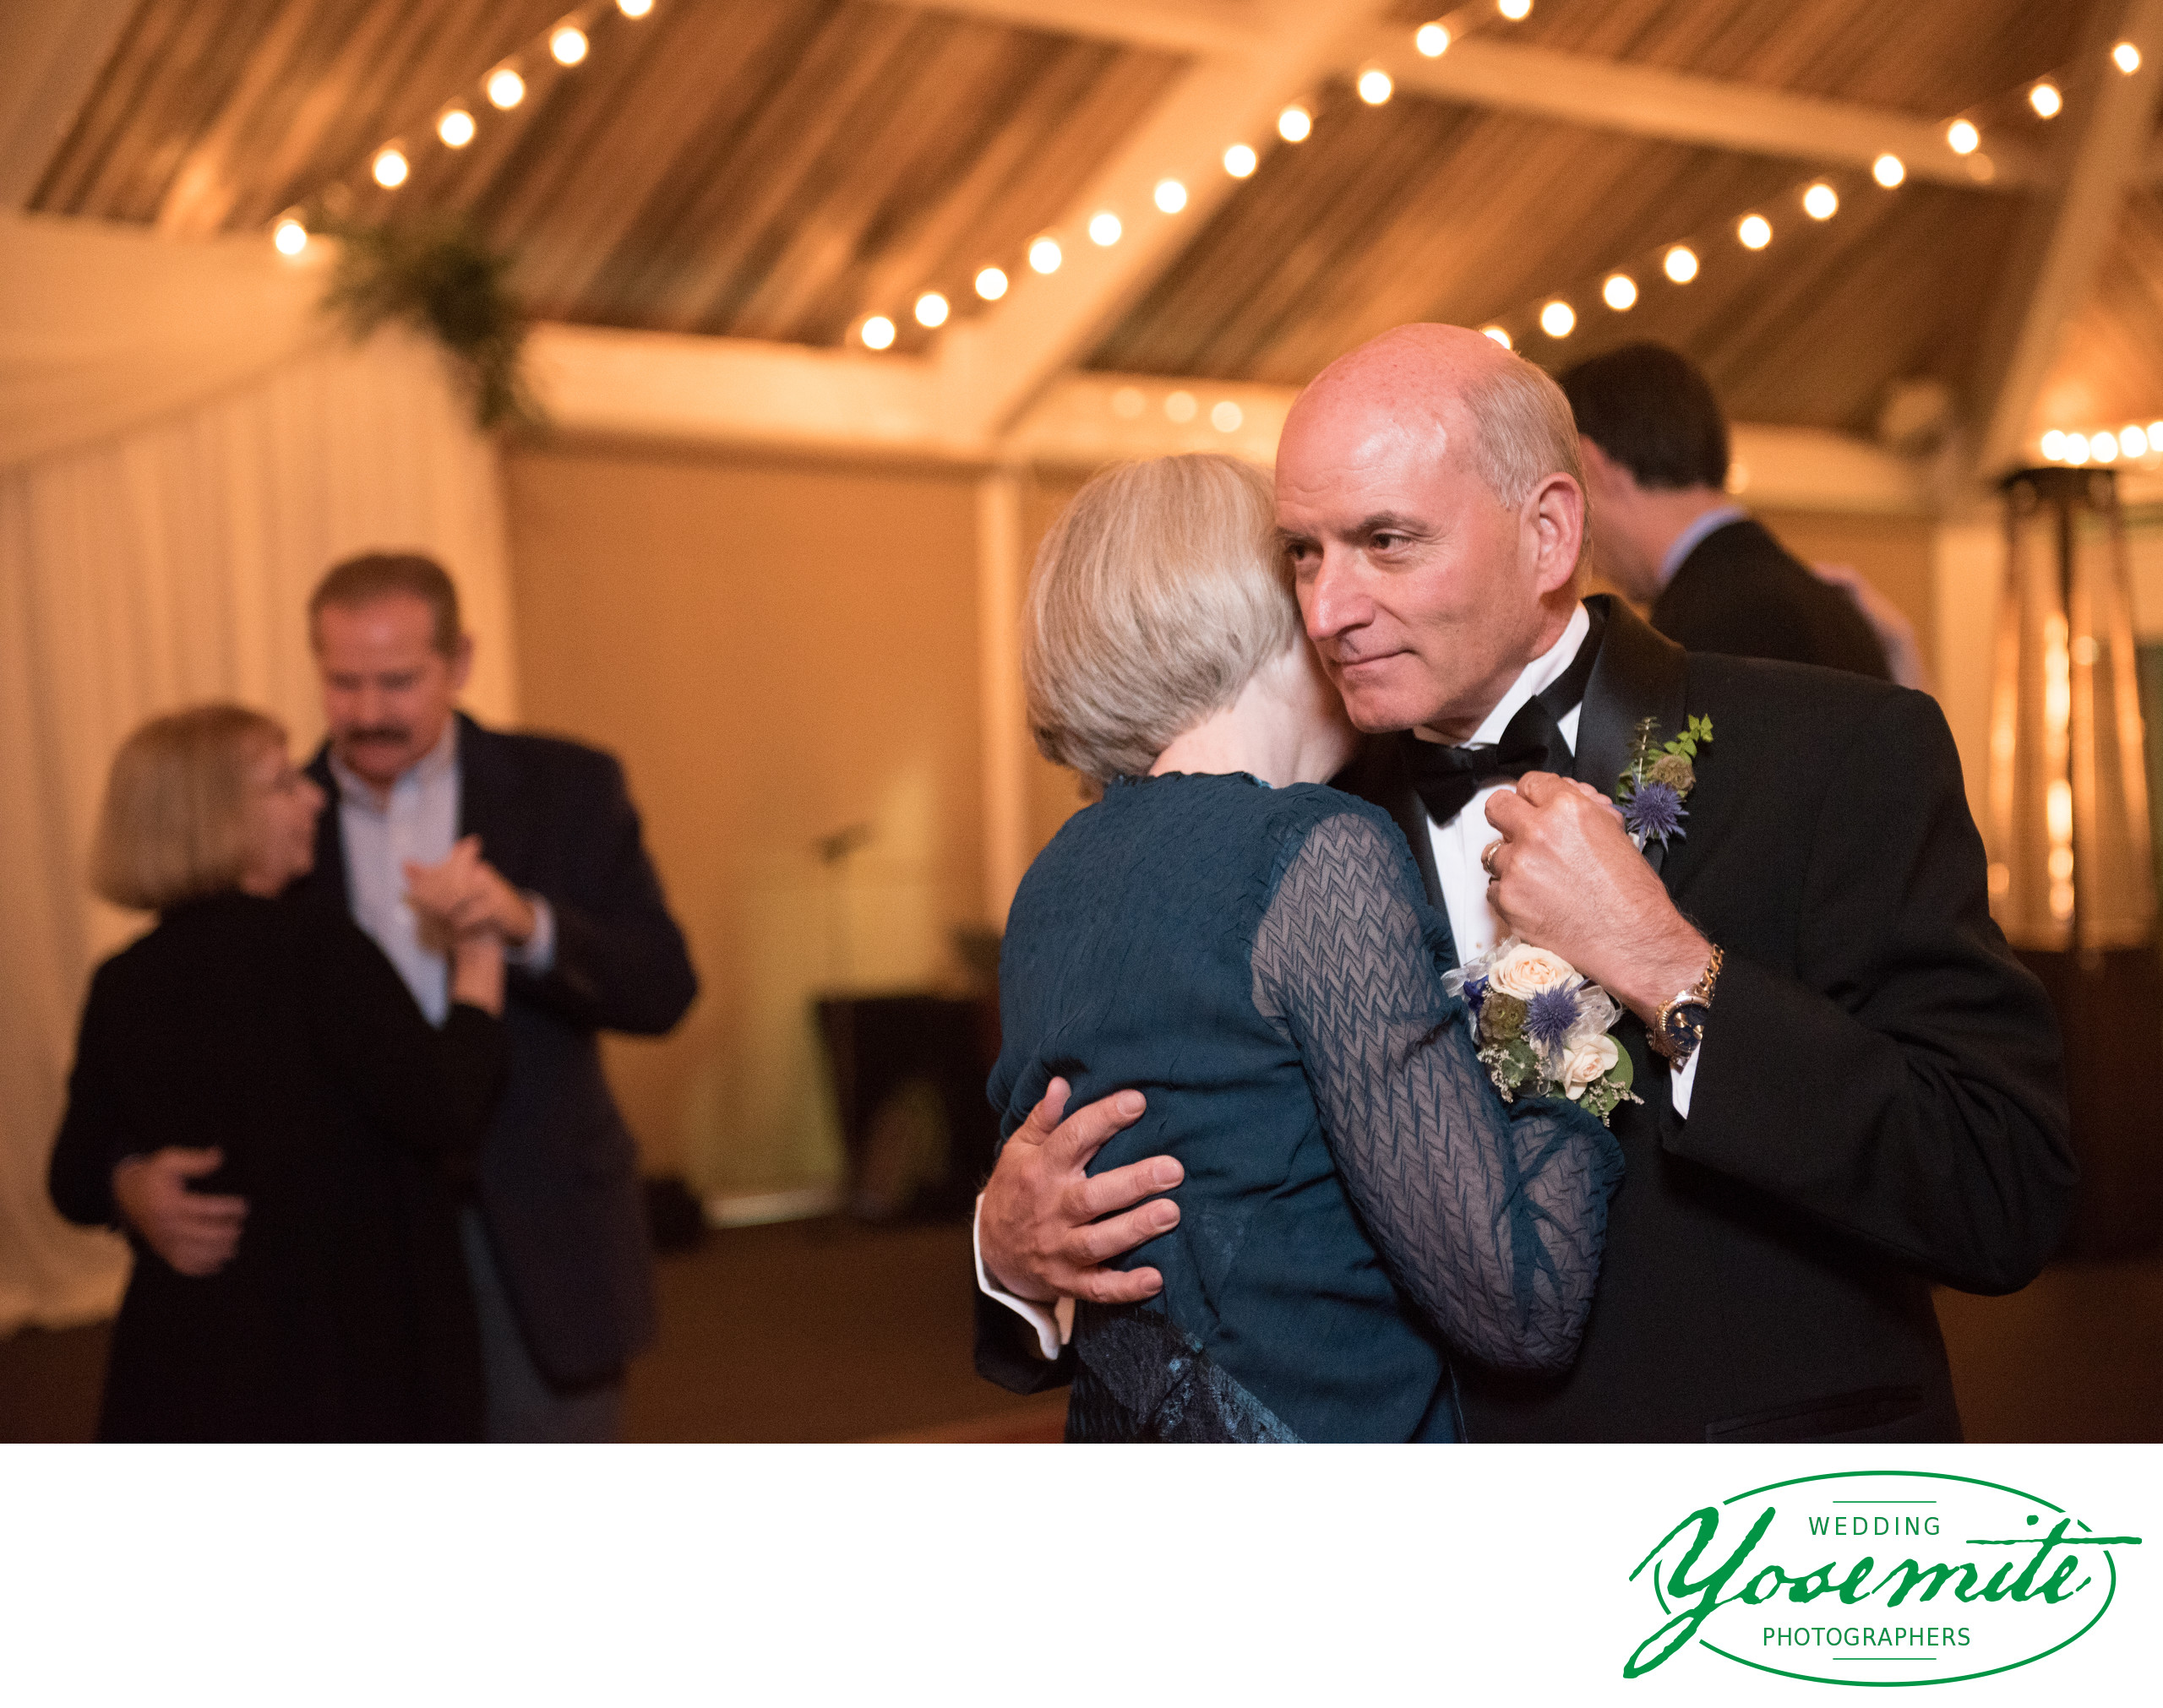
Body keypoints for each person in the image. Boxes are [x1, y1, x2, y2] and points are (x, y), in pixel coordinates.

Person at [978, 324, 2075, 1442]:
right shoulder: (1301, 831)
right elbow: (1201, 1188)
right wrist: (1008, 1257)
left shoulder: (1834, 752)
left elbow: (2001, 1186)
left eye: (1387, 542)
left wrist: (1671, 968)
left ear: (1549, 532)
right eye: (1303, 553)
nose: (1325, 610)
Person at [986, 453, 1621, 1441]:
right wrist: (1568, 986)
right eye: (1304, 562)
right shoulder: (1313, 850)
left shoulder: (1055, 878)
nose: (1340, 605)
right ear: (1267, 609)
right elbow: (1517, 1305)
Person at [119, 553, 698, 1441]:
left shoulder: (567, 786)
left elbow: (663, 988)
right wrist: (124, 1176)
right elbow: (183, 1029)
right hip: (340, 1254)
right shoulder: (269, 818)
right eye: (342, 683)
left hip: (536, 1231)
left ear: (459, 662)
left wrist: (523, 923)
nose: (367, 713)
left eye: (397, 681)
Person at [47, 704, 506, 1442]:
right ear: (217, 819)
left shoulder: (121, 982)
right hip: (343, 1361)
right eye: (283, 781)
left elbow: (72, 1178)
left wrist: (124, 1181)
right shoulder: (313, 945)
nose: (314, 795)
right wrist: (481, 960)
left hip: (189, 1369)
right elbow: (445, 1107)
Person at [1558, 342, 1895, 680]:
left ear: (1591, 466)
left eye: (1565, 493)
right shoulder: (1839, 612)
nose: (1578, 546)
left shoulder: (1704, 624)